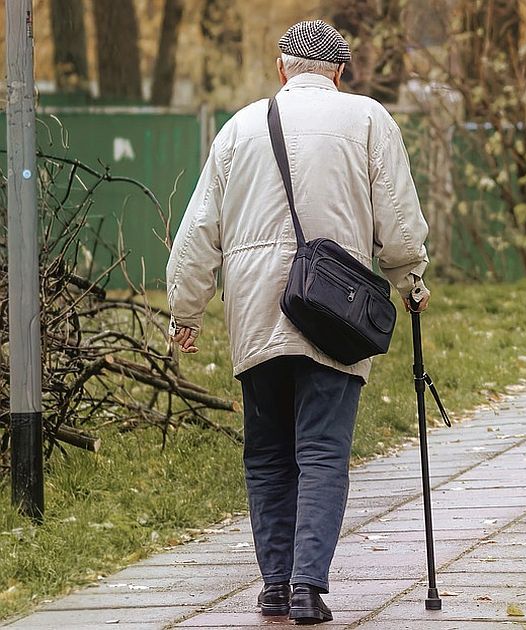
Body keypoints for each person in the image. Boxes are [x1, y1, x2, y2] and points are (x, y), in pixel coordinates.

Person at [165, 19, 430, 625]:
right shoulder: (368, 120)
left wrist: (186, 309)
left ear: (281, 69)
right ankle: (308, 587)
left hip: (257, 311)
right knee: (323, 453)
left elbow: (199, 230)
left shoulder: (237, 129)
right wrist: (410, 280)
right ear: (339, 72)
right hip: (333, 312)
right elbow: (398, 219)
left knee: (266, 456)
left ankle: (273, 586)